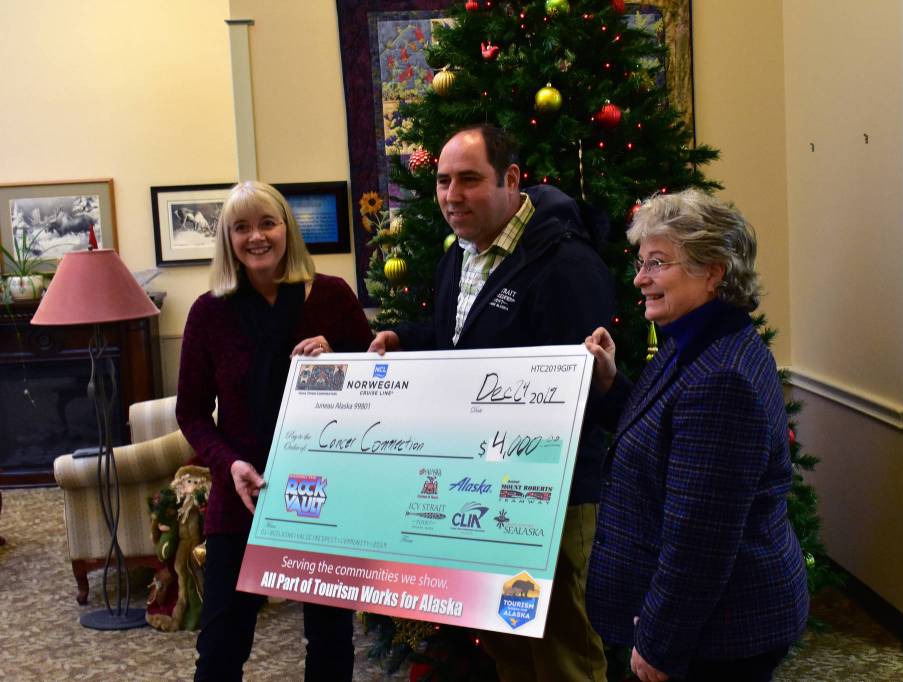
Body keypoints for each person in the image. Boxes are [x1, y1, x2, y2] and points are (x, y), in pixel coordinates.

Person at [370, 124, 613, 682]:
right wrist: (405, 338)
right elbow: (460, 340)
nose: (452, 196)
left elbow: (583, 389)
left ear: (511, 180)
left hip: (552, 495)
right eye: (442, 181)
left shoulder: (567, 265)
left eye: (469, 180)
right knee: (508, 642)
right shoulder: (460, 255)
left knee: (561, 650)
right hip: (483, 490)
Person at [584, 189, 809, 682]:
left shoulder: (720, 376)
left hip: (721, 634)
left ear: (714, 272)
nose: (641, 279)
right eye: (642, 263)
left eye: (658, 263)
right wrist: (608, 383)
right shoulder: (695, 340)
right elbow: (663, 439)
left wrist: (661, 643)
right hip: (711, 623)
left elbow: (700, 540)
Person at [176, 180, 373, 681]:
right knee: (222, 643)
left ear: (287, 228)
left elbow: (379, 388)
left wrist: (340, 363)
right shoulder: (208, 312)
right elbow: (192, 414)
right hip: (243, 492)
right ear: (227, 238)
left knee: (330, 640)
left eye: (267, 222)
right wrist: (230, 465)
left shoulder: (331, 296)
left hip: (323, 492)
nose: (256, 237)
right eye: (241, 227)